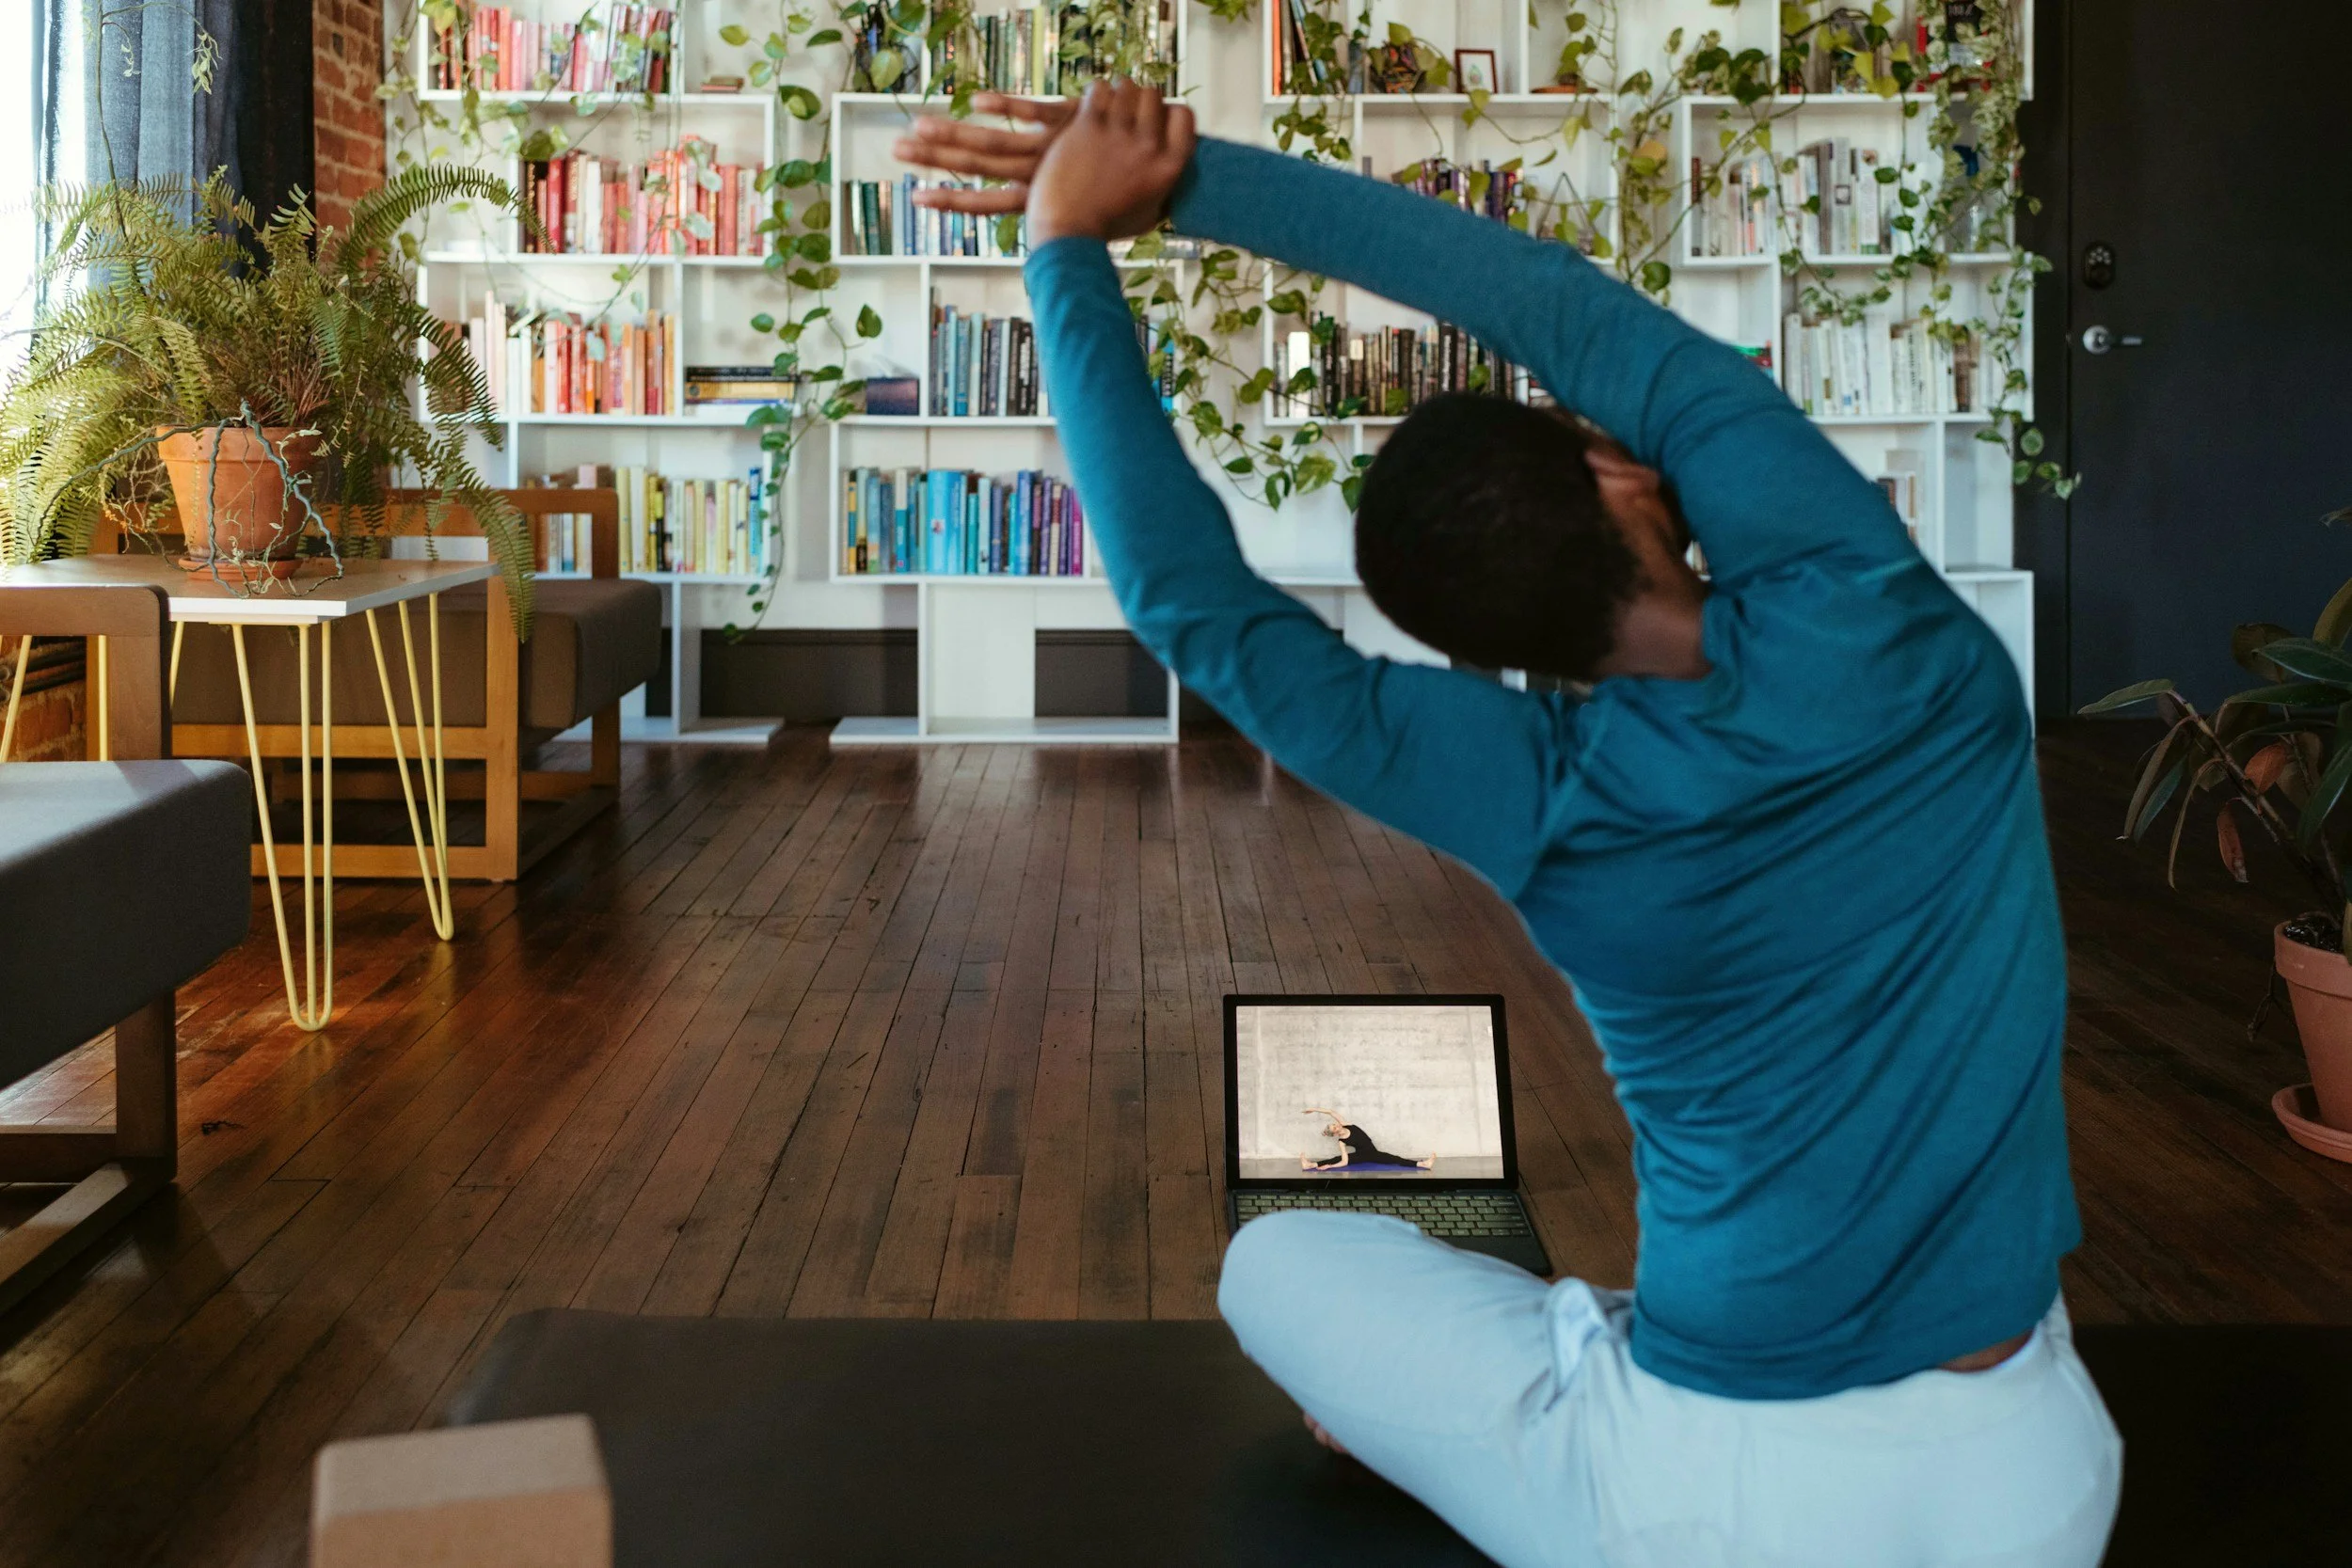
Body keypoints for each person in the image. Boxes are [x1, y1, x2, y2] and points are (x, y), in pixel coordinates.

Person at [894, 83, 2121, 1568]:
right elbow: (1555, 304)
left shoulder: (1549, 793)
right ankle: (1561, 1349)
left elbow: (1191, 610)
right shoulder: (1884, 621)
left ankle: (1522, 1374)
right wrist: (1167, 184)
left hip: (1712, 1498)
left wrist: (1060, 254)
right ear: (1615, 470)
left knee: (1282, 1258)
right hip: (2037, 1483)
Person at [1299, 1109, 1437, 1171]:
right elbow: (1344, 1161)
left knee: (1395, 1159)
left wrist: (1313, 1109)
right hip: (1364, 1156)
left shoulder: (1347, 1124)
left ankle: (1423, 1164)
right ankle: (1310, 1165)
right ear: (1334, 1133)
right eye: (1334, 1126)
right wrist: (1330, 1166)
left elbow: (1331, 1112)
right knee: (1335, 1158)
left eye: (1334, 1123)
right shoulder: (1341, 1141)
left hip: (1371, 1152)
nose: (1336, 1124)